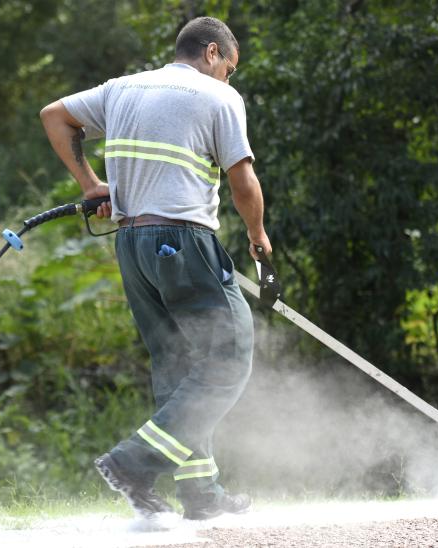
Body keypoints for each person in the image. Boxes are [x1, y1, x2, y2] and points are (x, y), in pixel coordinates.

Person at [39, 16, 271, 520]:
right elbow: (243, 182)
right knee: (229, 354)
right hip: (183, 239)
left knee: (176, 365)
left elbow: (54, 115)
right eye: (229, 68)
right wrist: (257, 236)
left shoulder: (123, 88)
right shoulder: (219, 97)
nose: (229, 79)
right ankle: (134, 463)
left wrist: (90, 184)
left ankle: (200, 494)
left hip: (133, 244)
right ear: (212, 53)